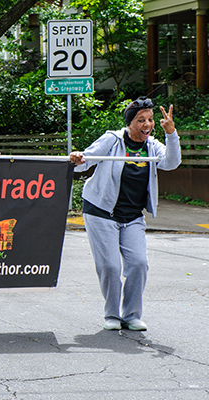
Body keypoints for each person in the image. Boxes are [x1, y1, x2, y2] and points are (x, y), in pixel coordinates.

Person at [69, 97, 181, 331]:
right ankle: (112, 315)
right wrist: (77, 158)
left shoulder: (152, 146)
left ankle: (131, 315)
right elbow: (86, 160)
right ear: (130, 123)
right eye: (141, 120)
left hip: (132, 216)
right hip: (101, 211)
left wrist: (171, 134)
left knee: (139, 264)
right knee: (110, 266)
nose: (147, 124)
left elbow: (171, 163)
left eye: (150, 120)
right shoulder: (112, 140)